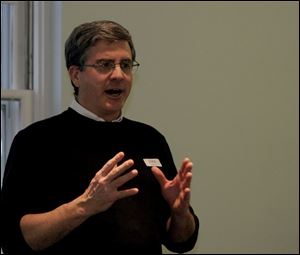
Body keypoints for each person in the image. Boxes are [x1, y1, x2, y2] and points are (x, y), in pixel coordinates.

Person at [1, 20, 199, 254]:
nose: (119, 75)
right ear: (76, 75)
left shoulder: (150, 139)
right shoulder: (35, 141)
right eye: (105, 65)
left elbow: (181, 241)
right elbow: (13, 240)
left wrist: (180, 214)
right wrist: (86, 205)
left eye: (125, 65)